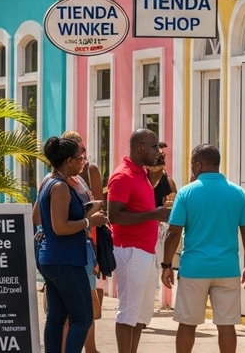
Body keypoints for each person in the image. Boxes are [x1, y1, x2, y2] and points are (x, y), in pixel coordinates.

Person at [160, 144, 245, 353]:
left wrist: (166, 265)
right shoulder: (238, 192)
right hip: (227, 268)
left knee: (187, 323)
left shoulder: (186, 193)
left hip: (194, 269)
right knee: (226, 324)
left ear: (198, 164)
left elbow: (174, 232)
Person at [39, 136, 110, 353]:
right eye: (80, 158)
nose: (83, 162)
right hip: (65, 259)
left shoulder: (48, 182)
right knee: (83, 316)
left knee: (57, 316)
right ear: (69, 160)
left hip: (51, 258)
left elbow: (38, 216)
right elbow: (60, 227)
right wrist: (90, 221)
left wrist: (84, 211)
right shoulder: (60, 186)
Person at [107, 128, 170, 353]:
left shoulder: (141, 173)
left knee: (141, 316)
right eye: (154, 147)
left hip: (145, 250)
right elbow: (114, 216)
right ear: (140, 147)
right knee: (128, 312)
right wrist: (154, 214)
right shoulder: (123, 175)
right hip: (130, 250)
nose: (158, 151)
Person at [148, 141, 177, 309]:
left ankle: (153, 302)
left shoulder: (167, 181)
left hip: (160, 228)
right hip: (144, 226)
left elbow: (173, 202)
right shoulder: (142, 179)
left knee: (157, 265)